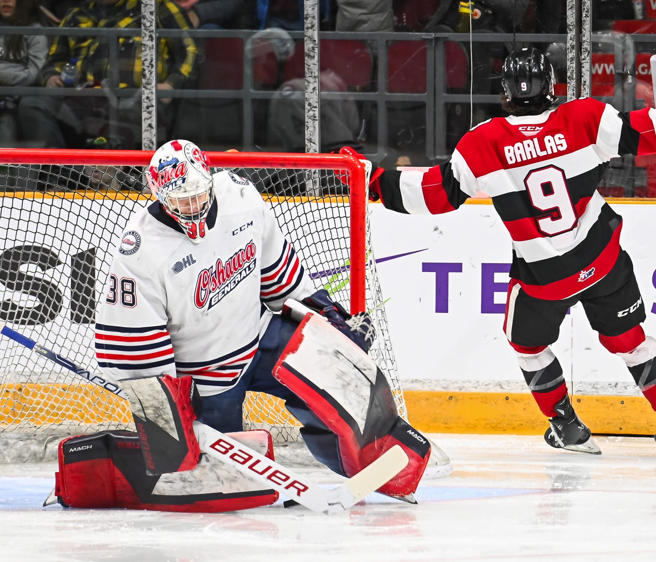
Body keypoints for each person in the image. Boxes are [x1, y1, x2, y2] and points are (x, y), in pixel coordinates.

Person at [341, 47, 656, 457]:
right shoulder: (585, 117)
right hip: (603, 261)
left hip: (545, 277)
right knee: (630, 339)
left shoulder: (483, 143)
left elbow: (434, 194)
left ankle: (567, 427)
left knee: (527, 345)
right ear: (550, 85)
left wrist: (372, 180)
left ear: (506, 92)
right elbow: (655, 130)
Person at [48, 139, 430, 511]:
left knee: (339, 374)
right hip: (207, 374)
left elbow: (279, 277)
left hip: (259, 336)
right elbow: (137, 356)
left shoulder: (240, 198)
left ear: (210, 179)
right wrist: (168, 419)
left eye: (197, 195)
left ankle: (378, 469)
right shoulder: (140, 253)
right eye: (180, 201)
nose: (192, 207)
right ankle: (94, 472)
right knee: (222, 485)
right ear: (159, 197)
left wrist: (327, 318)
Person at [18, 0, 200, 149]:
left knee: (119, 122)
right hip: (81, 98)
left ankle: (127, 182)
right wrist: (52, 76)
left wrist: (170, 86)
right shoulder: (76, 16)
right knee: (33, 104)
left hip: (136, 99)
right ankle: (59, 177)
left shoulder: (156, 7)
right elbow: (55, 60)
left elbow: (190, 50)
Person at [0, 0, 47, 145]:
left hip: (18, 97)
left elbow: (33, 75)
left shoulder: (35, 31)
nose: (6, 1)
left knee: (6, 123)